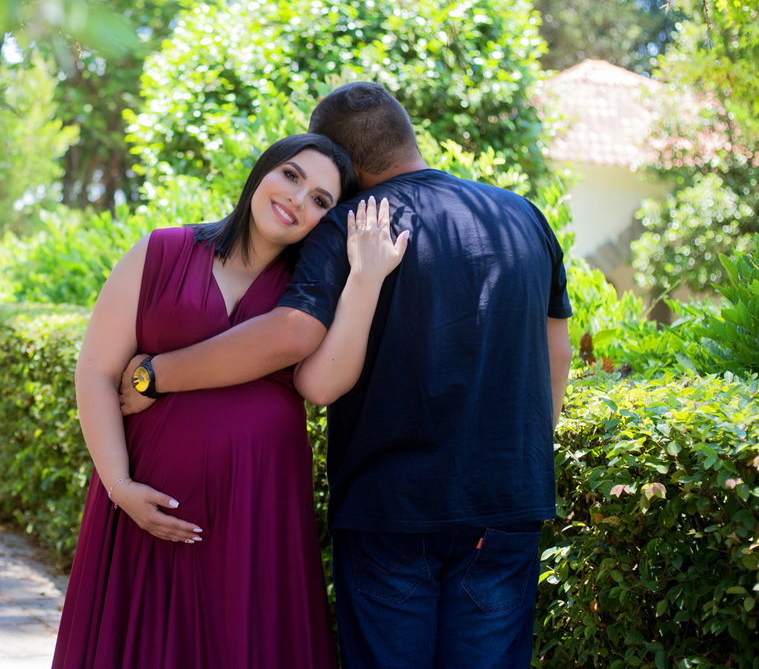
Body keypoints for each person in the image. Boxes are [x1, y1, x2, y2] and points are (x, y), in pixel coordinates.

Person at [119, 82, 574, 669]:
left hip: (391, 505)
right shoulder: (523, 216)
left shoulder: (352, 223)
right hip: (509, 499)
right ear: (407, 136)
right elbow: (555, 345)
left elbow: (294, 339)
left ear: (346, 167)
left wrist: (155, 375)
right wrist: (524, 452)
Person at [52, 132, 410, 669]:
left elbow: (323, 385)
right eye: (291, 176)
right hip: (142, 506)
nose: (296, 198)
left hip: (258, 512)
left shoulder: (309, 295)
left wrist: (365, 276)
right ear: (261, 173)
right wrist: (120, 487)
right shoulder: (162, 250)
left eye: (320, 200)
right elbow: (97, 373)